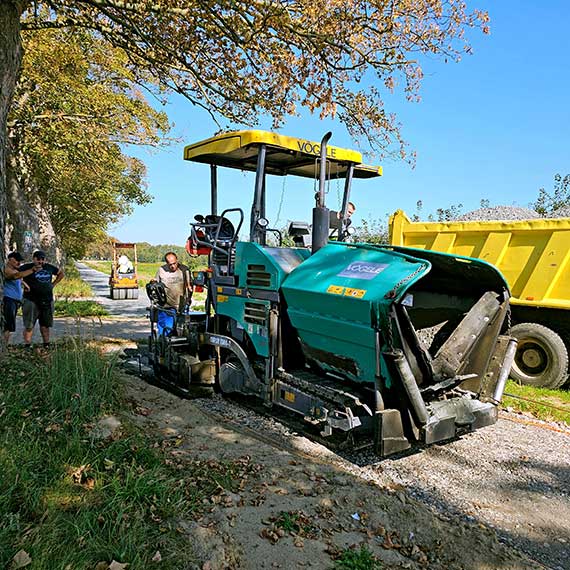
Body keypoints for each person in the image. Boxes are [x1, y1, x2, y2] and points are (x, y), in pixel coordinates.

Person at [20, 250, 64, 348]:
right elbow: (16, 275)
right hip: (31, 300)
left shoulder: (49, 267)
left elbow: (61, 274)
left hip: (47, 300)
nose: (40, 261)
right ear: (34, 259)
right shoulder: (27, 267)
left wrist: (53, 284)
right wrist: (24, 284)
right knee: (29, 325)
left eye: (42, 259)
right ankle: (27, 346)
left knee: (45, 325)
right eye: (38, 259)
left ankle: (46, 344)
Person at [3, 252, 37, 344]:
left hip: (15, 301)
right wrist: (32, 270)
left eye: (20, 261)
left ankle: (4, 346)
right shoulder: (6, 269)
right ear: (10, 259)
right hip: (8, 299)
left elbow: (19, 278)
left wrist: (25, 284)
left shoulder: (15, 269)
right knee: (7, 325)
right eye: (17, 260)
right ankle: (3, 347)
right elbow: (15, 276)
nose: (18, 263)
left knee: (10, 326)